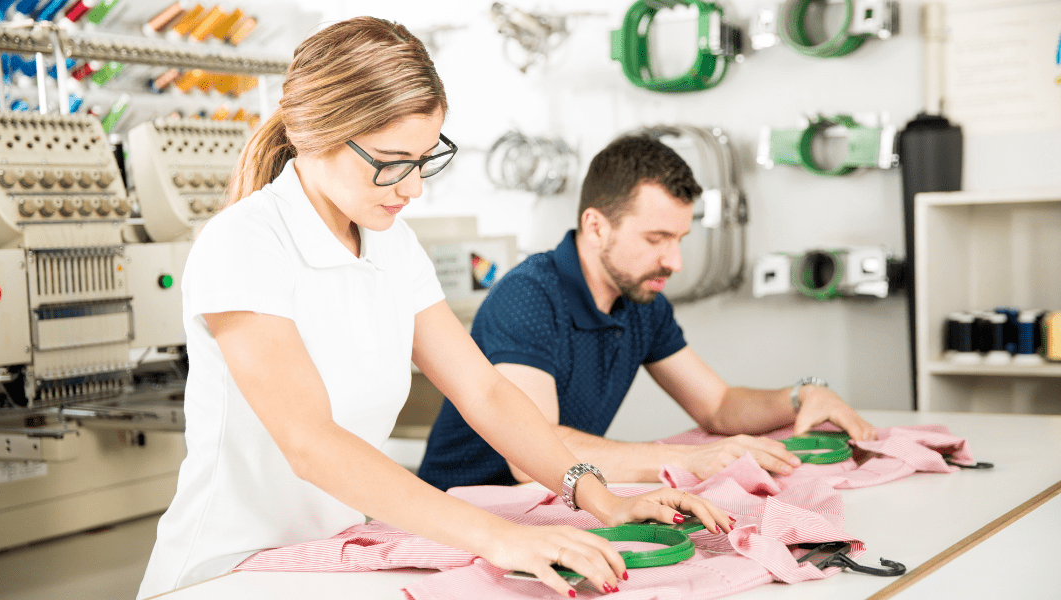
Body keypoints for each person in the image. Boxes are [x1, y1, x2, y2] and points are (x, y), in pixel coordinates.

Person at [136, 19, 734, 600]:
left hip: (331, 557)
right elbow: (310, 443)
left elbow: (486, 393)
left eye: (425, 160)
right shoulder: (245, 242)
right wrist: (498, 538)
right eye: (391, 162)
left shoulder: (391, 242)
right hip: (227, 571)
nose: (413, 187)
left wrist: (602, 499)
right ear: (314, 133)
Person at [419, 135, 877, 491]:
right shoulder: (528, 298)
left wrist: (801, 397)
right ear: (597, 226)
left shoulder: (641, 300)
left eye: (679, 239)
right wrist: (684, 459)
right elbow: (531, 457)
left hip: (553, 506)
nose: (674, 262)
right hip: (460, 516)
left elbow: (717, 405)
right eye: (656, 239)